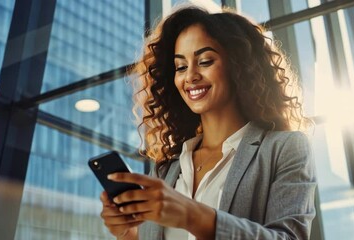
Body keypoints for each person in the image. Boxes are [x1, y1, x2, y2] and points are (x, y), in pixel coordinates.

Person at [100, 5, 316, 240]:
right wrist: (128, 232)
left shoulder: (285, 148)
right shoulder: (168, 167)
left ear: (238, 65)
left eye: (204, 61)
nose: (190, 76)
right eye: (180, 67)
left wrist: (192, 215)